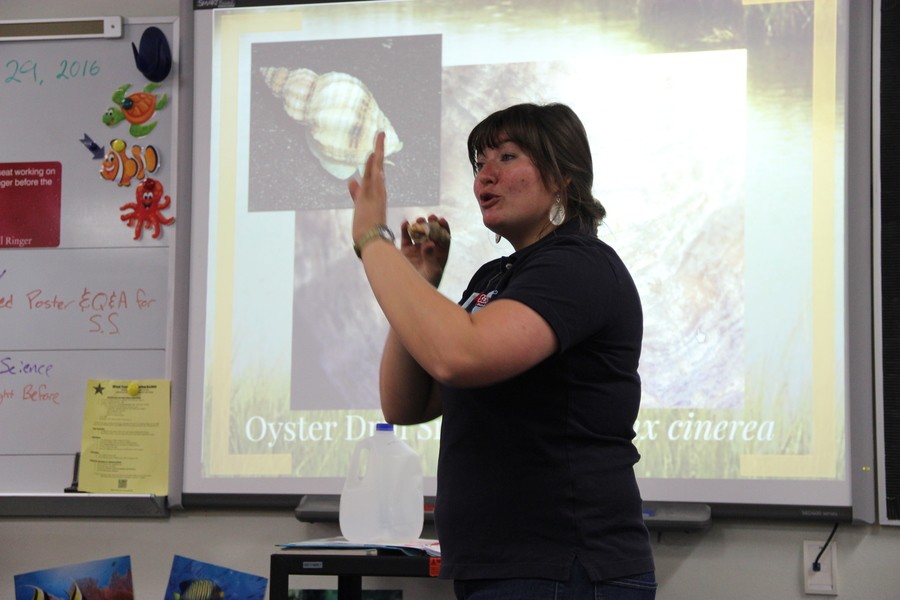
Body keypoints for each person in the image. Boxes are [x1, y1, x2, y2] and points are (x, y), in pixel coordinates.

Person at [348, 102, 656, 600]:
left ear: (562, 177)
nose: (483, 178)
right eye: (478, 164)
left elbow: (459, 355)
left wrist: (372, 239)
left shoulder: (579, 266)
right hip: (497, 566)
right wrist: (420, 279)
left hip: (564, 566)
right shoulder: (495, 279)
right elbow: (406, 404)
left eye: (507, 158)